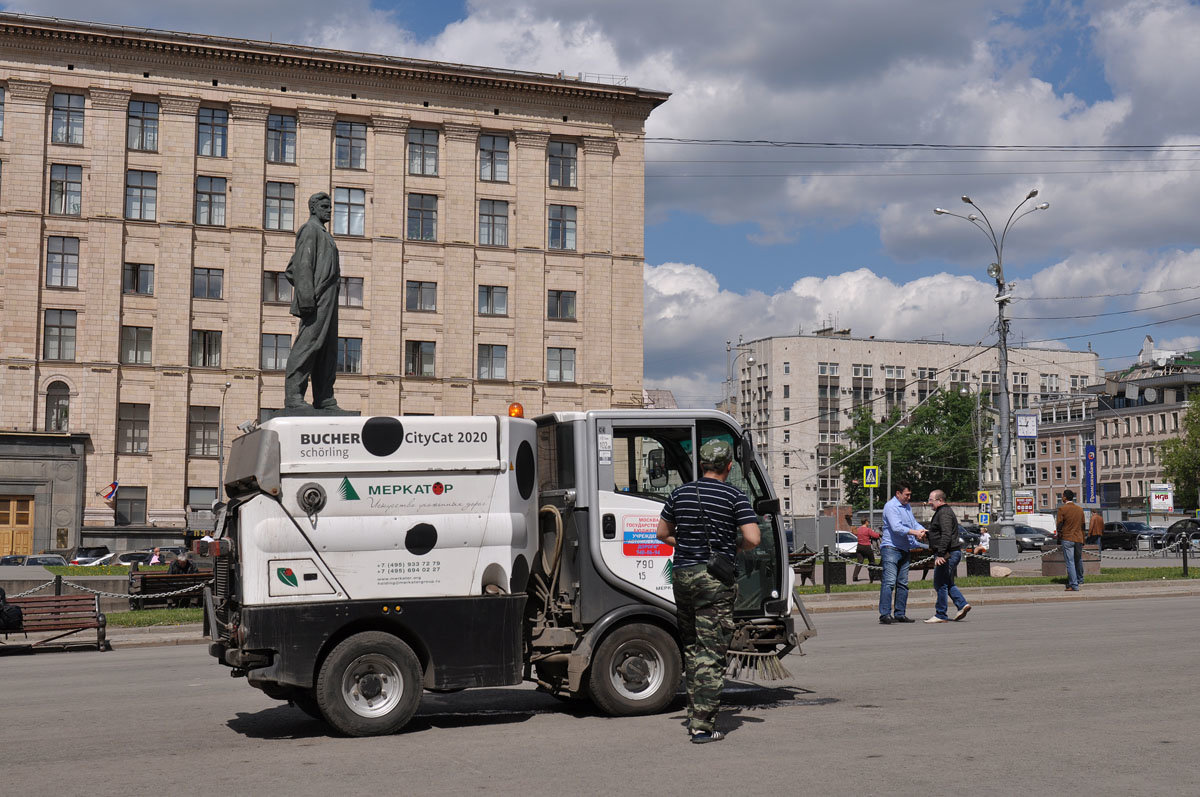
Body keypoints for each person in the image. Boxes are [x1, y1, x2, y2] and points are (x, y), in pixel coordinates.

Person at [656, 439, 760, 744]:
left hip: (683, 576)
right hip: (714, 579)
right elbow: (753, 538)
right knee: (711, 652)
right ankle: (702, 726)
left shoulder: (679, 493)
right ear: (729, 465)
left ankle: (694, 713)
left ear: (702, 465)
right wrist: (731, 546)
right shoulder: (734, 496)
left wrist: (686, 545)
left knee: (691, 647)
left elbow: (662, 534)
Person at [284, 192, 344, 412]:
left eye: (330, 207)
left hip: (329, 296)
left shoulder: (324, 234)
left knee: (328, 348)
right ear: (314, 208)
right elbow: (300, 266)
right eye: (325, 206)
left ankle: (324, 397)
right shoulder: (309, 230)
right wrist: (306, 297)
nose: (330, 210)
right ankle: (293, 396)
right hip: (317, 297)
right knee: (308, 344)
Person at [878, 482, 927, 624]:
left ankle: (900, 613)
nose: (909, 497)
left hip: (905, 548)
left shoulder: (907, 507)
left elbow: (913, 524)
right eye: (907, 494)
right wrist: (915, 532)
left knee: (903, 583)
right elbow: (896, 528)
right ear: (898, 494)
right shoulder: (891, 506)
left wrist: (922, 530)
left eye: (910, 495)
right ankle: (885, 614)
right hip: (891, 548)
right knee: (889, 582)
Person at [923, 490, 971, 623]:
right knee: (947, 582)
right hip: (949, 552)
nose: (929, 503)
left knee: (940, 584)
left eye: (931, 500)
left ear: (939, 500)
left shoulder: (943, 513)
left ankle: (941, 614)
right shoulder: (943, 512)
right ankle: (962, 604)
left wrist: (940, 554)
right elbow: (940, 532)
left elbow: (946, 534)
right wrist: (928, 534)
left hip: (947, 554)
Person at [1056, 489, 1086, 591]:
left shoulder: (1062, 509)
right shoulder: (1080, 509)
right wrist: (1083, 538)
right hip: (1078, 538)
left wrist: (1059, 538)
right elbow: (1083, 526)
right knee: (1078, 559)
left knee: (1070, 562)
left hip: (1067, 538)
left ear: (1065, 497)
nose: (1062, 497)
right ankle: (1080, 579)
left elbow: (1059, 525)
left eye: (1062, 496)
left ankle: (1073, 585)